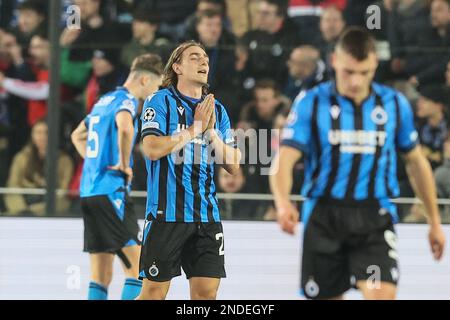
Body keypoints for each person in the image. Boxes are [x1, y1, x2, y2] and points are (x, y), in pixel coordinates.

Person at [269, 27, 446, 300]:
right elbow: (285, 158)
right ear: (334, 62)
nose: (355, 82)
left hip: (374, 217)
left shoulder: (394, 104)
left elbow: (416, 163)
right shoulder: (311, 102)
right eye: (348, 72)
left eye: (364, 73)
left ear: (375, 65)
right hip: (324, 216)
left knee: (381, 295)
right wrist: (282, 203)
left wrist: (434, 221)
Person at [137, 41, 241, 300]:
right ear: (177, 67)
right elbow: (151, 148)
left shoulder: (217, 109)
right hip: (166, 216)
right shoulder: (159, 101)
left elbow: (233, 164)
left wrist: (210, 134)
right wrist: (194, 129)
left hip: (206, 216)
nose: (203, 61)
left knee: (206, 295)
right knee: (153, 294)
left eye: (205, 58)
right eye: (194, 57)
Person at [70, 54, 163, 300]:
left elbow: (77, 135)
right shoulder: (127, 101)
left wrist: (95, 163)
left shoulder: (104, 100)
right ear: (144, 79)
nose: (155, 93)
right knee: (139, 269)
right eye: (156, 86)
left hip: (89, 193)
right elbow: (124, 126)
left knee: (100, 275)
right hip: (113, 193)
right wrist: (123, 163)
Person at [4, 119, 73, 215]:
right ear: (32, 135)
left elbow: (63, 192)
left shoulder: (64, 160)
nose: (43, 137)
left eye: (46, 133)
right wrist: (22, 210)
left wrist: (32, 211)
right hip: (24, 202)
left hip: (50, 205)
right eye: (38, 132)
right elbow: (13, 187)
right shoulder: (21, 158)